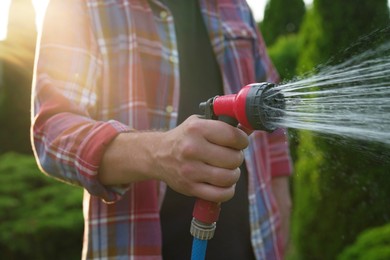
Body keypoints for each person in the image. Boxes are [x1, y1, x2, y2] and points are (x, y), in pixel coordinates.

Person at [31, 0, 293, 259]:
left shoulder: (235, 6)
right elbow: (52, 131)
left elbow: (273, 122)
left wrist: (282, 216)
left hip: (256, 247)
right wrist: (158, 153)